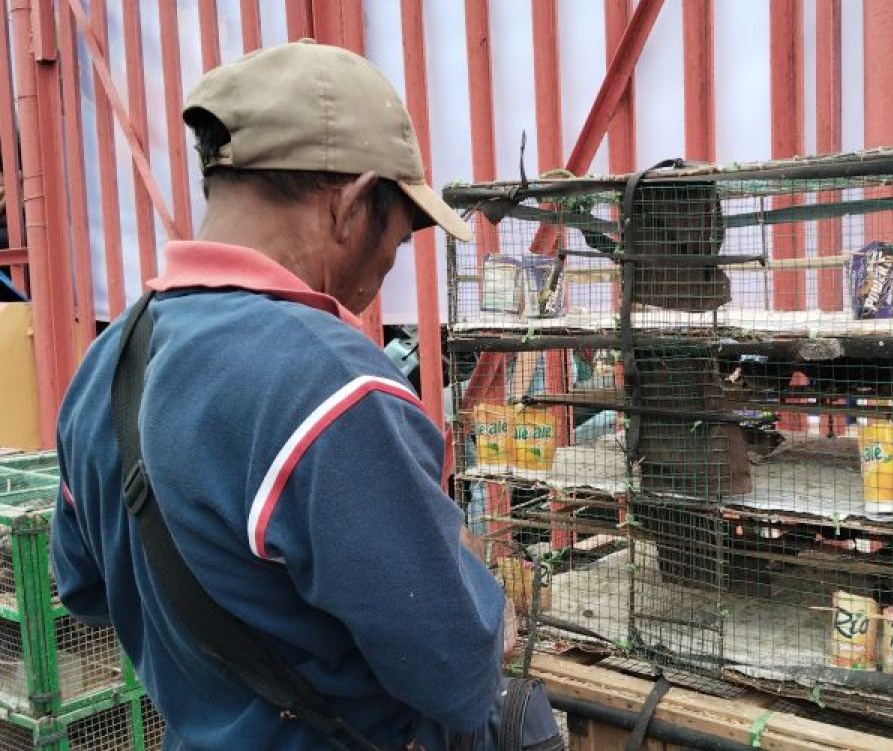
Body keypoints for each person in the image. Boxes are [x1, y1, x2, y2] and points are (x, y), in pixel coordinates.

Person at [51, 41, 557, 750]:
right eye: (402, 230)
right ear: (350, 205)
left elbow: (84, 586)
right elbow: (457, 671)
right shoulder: (332, 384)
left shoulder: (107, 363)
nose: (390, 260)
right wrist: (473, 581)